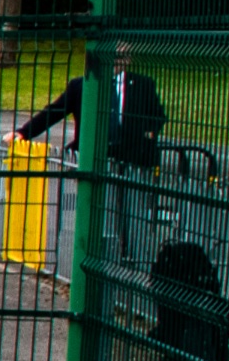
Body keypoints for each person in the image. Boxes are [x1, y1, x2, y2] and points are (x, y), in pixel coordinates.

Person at [18, 50, 166, 253]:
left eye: (120, 57)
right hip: (96, 158)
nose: (115, 62)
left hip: (132, 158)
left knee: (131, 211)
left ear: (128, 59)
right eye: (111, 56)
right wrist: (23, 132)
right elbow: (54, 112)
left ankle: (131, 253)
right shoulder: (82, 85)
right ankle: (97, 252)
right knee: (98, 209)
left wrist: (146, 132)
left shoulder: (142, 84)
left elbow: (158, 117)